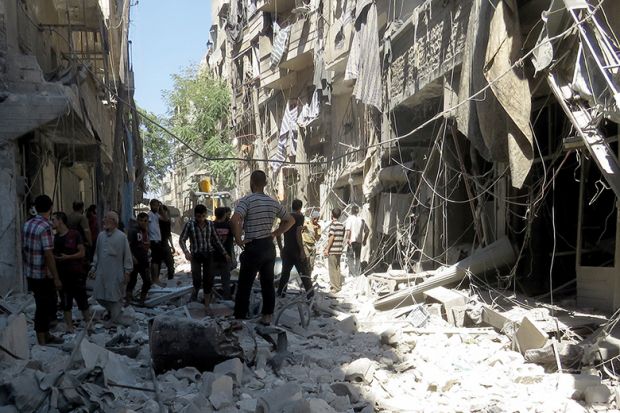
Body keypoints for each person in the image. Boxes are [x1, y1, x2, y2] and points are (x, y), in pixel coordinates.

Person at [231, 170, 295, 325]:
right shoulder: (273, 202)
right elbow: (290, 220)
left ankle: (239, 318)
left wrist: (239, 239)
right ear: (265, 183)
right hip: (268, 246)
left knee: (245, 283)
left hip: (253, 246)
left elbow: (235, 220)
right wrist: (276, 232)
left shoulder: (246, 201)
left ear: (252, 182)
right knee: (267, 283)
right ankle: (267, 317)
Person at [22, 195, 63, 345]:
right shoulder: (46, 227)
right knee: (45, 306)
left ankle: (46, 334)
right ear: (50, 208)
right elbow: (48, 254)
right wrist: (56, 277)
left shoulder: (27, 224)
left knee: (43, 304)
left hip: (30, 272)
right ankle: (42, 338)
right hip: (42, 274)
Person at [180, 204, 230, 308]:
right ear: (195, 215)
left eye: (203, 216)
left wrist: (224, 253)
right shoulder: (190, 224)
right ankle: (194, 296)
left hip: (208, 254)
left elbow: (216, 240)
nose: (201, 219)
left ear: (206, 215)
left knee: (208, 280)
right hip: (196, 255)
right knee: (197, 279)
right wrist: (186, 252)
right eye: (199, 216)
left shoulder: (210, 224)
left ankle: (206, 304)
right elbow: (182, 239)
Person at [90, 211, 133, 325]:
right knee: (100, 295)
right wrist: (93, 267)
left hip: (116, 272)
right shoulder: (101, 235)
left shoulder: (122, 237)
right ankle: (111, 314)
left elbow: (127, 256)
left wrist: (127, 271)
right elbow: (97, 254)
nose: (104, 220)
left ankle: (115, 319)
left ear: (113, 221)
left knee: (115, 296)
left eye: (106, 218)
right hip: (102, 272)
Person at [51, 212, 90, 332]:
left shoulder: (74, 234)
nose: (51, 222)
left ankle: (89, 324)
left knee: (82, 300)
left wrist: (67, 257)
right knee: (65, 302)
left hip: (76, 273)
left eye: (53, 220)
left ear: (60, 221)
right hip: (63, 275)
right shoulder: (56, 238)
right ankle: (69, 326)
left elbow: (82, 252)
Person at [277, 199, 313, 298]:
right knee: (304, 274)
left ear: (292, 206)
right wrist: (302, 250)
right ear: (300, 208)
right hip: (296, 251)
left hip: (287, 250)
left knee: (285, 274)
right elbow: (298, 234)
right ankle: (311, 296)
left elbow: (278, 233)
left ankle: (281, 294)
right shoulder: (299, 217)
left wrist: (281, 249)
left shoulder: (286, 217)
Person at [126, 212, 151, 304]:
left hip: (144, 260)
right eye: (141, 220)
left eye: (145, 221)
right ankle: (128, 301)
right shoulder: (133, 231)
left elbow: (146, 244)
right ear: (137, 221)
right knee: (132, 281)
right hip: (135, 260)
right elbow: (127, 246)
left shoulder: (146, 231)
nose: (143, 222)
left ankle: (142, 300)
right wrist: (132, 257)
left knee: (147, 281)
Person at [213, 207, 234, 299]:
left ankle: (211, 296)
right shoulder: (229, 226)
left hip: (213, 256)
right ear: (225, 215)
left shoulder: (211, 225)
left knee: (211, 278)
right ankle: (227, 297)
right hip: (226, 256)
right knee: (226, 279)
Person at [323, 208, 345, 293]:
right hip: (339, 249)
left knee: (332, 269)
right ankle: (338, 285)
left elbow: (332, 237)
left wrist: (327, 249)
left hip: (333, 250)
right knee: (337, 268)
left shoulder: (333, 225)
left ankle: (334, 287)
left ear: (332, 215)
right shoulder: (341, 225)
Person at [344, 205, 369, 277]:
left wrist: (348, 239)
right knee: (358, 257)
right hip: (359, 241)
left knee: (350, 257)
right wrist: (364, 240)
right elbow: (367, 231)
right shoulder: (362, 220)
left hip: (352, 241)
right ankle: (357, 273)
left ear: (351, 211)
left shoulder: (350, 219)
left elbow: (348, 230)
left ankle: (352, 273)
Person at [148, 199, 167, 285]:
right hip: (153, 240)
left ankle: (156, 279)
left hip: (158, 240)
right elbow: (147, 227)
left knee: (158, 260)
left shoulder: (156, 215)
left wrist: (162, 208)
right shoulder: (150, 215)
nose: (156, 207)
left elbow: (165, 219)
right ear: (151, 206)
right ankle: (155, 279)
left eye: (157, 205)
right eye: (155, 205)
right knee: (155, 261)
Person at [302, 210, 322, 276]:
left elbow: (317, 238)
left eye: (317, 219)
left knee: (311, 263)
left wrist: (316, 231)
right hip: (305, 244)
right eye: (315, 219)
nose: (316, 220)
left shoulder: (318, 227)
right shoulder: (306, 223)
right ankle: (304, 276)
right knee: (306, 259)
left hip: (312, 245)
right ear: (312, 218)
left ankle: (309, 277)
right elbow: (300, 230)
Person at [159, 204, 176, 280]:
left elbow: (169, 234)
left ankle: (170, 279)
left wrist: (172, 246)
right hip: (156, 243)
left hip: (164, 243)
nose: (164, 214)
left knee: (170, 263)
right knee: (157, 263)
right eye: (162, 212)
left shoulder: (167, 222)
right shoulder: (156, 220)